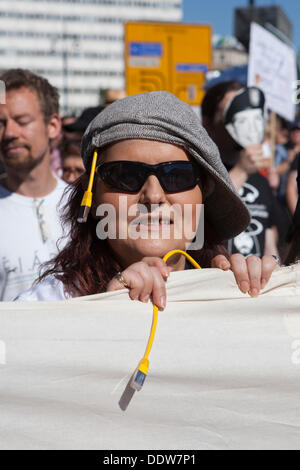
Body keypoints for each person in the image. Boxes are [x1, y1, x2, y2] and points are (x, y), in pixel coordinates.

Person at [16, 91, 277, 304]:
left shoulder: (233, 292)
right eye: (125, 176)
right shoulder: (47, 306)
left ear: (204, 193)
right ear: (93, 198)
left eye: (177, 176)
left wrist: (260, 293)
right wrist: (102, 314)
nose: (153, 196)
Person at [0, 68, 68, 301]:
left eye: (22, 121)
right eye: (0, 123)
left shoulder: (85, 206)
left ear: (53, 126)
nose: (9, 133)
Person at [202, 81, 282, 260]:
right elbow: (199, 224)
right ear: (207, 124)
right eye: (230, 112)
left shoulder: (259, 179)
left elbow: (269, 241)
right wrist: (241, 171)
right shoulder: (199, 174)